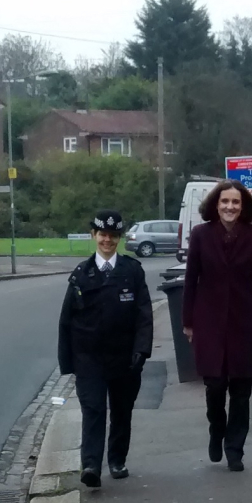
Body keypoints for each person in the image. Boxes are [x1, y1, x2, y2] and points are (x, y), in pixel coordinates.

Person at [182, 180, 252, 472]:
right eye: (225, 201)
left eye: (236, 202)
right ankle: (217, 429)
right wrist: (188, 322)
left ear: (243, 206)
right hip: (208, 321)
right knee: (215, 386)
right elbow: (190, 281)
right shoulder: (200, 235)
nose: (230, 207)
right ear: (215, 204)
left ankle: (235, 449)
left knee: (240, 389)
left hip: (243, 321)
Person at [58, 209, 153, 488]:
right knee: (94, 409)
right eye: (102, 235)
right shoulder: (81, 274)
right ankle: (90, 464)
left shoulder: (132, 271)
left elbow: (144, 314)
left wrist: (142, 350)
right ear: (94, 236)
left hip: (124, 357)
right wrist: (68, 362)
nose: (107, 240)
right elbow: (67, 320)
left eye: (113, 236)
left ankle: (117, 459)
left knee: (122, 410)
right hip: (89, 358)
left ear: (119, 238)